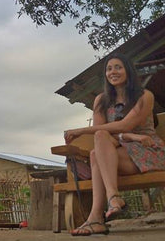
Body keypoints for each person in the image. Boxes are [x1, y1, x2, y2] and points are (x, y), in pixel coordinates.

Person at [65, 53, 165, 236]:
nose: (113, 72)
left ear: (128, 70)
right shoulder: (101, 101)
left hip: (147, 151)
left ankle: (97, 217)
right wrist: (129, 137)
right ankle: (112, 199)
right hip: (116, 152)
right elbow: (102, 134)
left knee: (97, 153)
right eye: (109, 69)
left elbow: (126, 124)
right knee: (99, 146)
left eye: (118, 67)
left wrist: (80, 130)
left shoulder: (145, 96)